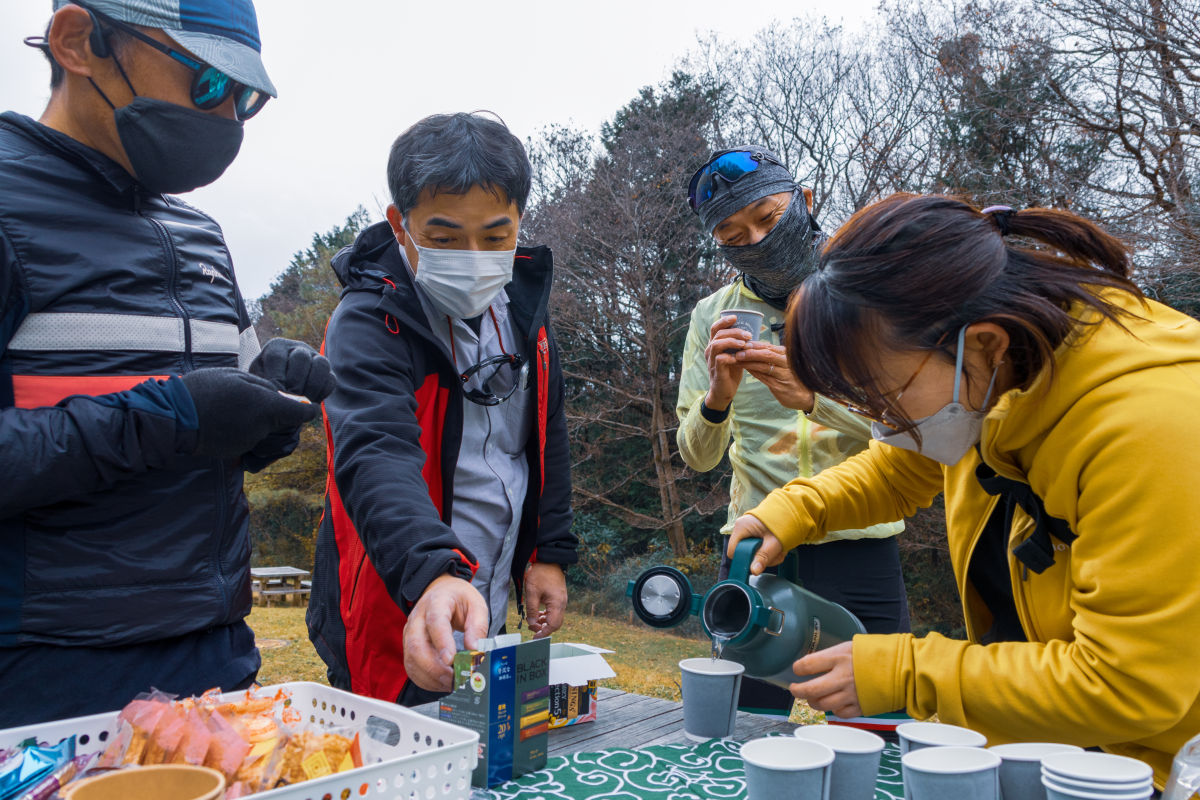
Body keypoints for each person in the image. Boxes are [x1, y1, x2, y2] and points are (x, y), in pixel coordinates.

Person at [730, 193, 1200, 786]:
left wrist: (902, 671)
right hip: (1057, 750)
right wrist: (791, 512)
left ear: (981, 344)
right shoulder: (1004, 376)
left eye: (884, 393)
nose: (881, 420)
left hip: (1154, 773)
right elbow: (898, 469)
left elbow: (1129, 684)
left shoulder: (1155, 425)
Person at [0, 0, 334, 727]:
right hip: (46, 680)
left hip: (216, 662)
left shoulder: (201, 232)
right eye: (208, 85)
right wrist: (168, 418)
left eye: (246, 99)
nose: (226, 121)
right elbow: (169, 422)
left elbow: (209, 433)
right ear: (78, 41)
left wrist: (268, 409)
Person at [308, 112, 577, 706]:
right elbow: (375, 453)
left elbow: (544, 437)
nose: (474, 256)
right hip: (397, 600)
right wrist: (433, 574)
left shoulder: (525, 313)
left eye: (496, 235)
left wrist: (547, 553)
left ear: (519, 224)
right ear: (400, 225)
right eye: (445, 237)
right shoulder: (368, 322)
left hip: (491, 600)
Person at [678, 147, 910, 713]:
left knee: (876, 718)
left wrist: (814, 399)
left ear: (805, 202)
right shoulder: (713, 314)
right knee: (741, 724)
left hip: (862, 538)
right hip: (756, 546)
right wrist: (718, 395)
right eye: (733, 234)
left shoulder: (866, 297)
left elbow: (908, 426)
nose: (755, 240)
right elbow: (696, 457)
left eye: (767, 217)